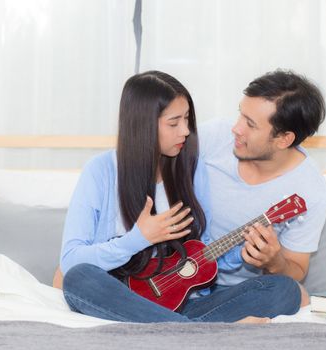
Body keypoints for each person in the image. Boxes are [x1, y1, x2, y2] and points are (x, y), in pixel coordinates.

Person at [59, 70, 301, 323]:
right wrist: (137, 240)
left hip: (185, 305)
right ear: (143, 124)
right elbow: (71, 260)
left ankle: (182, 333)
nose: (185, 131)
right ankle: (197, 333)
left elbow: (201, 255)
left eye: (187, 119)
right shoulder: (100, 171)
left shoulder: (191, 169)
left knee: (285, 290)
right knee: (79, 279)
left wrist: (245, 251)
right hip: (123, 301)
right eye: (174, 123)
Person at [198, 69, 326, 305]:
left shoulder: (310, 191)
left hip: (237, 293)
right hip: (171, 271)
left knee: (293, 294)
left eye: (250, 124)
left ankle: (194, 317)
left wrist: (274, 261)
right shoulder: (214, 136)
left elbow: (297, 268)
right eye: (240, 115)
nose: (236, 128)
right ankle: (208, 318)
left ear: (283, 139)